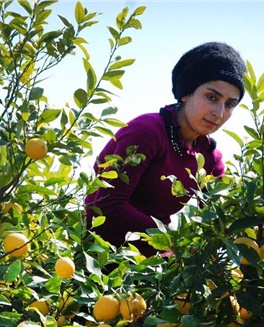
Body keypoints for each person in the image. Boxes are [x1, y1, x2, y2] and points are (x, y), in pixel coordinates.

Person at [84, 42, 246, 257]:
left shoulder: (209, 159)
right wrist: (173, 245)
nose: (219, 112)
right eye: (212, 97)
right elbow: (107, 206)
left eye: (230, 104)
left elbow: (220, 221)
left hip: (156, 269)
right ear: (186, 93)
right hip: (100, 258)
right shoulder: (146, 132)